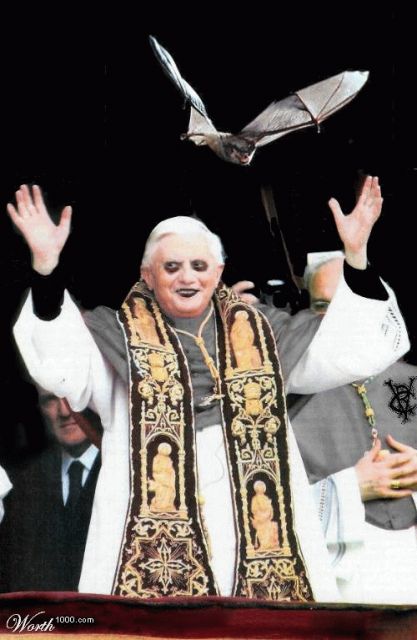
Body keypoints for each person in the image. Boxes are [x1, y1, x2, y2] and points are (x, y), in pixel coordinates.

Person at [9, 177, 409, 601]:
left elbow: (355, 349)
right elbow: (58, 364)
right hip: (152, 560)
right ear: (147, 275)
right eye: (172, 267)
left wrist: (357, 257)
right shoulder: (116, 337)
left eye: (199, 266)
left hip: (256, 550)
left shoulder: (266, 335)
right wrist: (46, 269)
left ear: (218, 272)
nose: (187, 277)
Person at [289, 254, 417, 604]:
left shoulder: (411, 380)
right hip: (341, 580)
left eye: (347, 305)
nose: (334, 319)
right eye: (321, 306)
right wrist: (350, 487)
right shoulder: (283, 399)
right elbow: (263, 509)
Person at [0, 388, 100, 591]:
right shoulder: (21, 486)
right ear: (40, 408)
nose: (64, 411)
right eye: (50, 400)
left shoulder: (126, 476)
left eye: (72, 397)